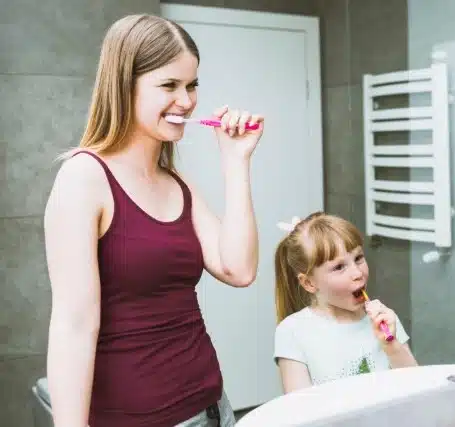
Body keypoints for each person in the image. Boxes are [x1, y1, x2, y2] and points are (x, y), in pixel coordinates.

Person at [43, 14, 263, 427]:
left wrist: (236, 163)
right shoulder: (84, 178)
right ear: (124, 85)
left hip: (213, 407)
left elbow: (239, 268)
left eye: (192, 84)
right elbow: (73, 327)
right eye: (169, 86)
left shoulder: (176, 181)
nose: (187, 100)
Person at [272, 212, 418, 394]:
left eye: (358, 258)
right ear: (309, 283)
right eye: (339, 267)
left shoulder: (386, 321)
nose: (357, 273)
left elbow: (416, 387)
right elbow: (300, 412)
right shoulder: (293, 332)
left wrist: (392, 347)